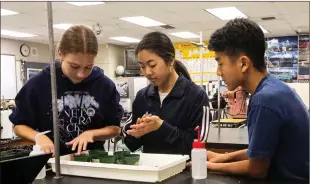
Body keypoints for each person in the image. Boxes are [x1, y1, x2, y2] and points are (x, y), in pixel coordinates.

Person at [205, 18, 309, 180]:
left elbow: (256, 168)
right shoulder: (274, 88)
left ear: (244, 64)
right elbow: (261, 152)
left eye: (221, 64)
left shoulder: (264, 100)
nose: (219, 72)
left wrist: (210, 166)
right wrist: (223, 157)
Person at [9, 25, 123, 156]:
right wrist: (39, 137)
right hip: (51, 162)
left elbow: (114, 129)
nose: (80, 74)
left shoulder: (104, 85)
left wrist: (92, 134)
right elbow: (18, 126)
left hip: (92, 160)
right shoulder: (39, 83)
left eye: (88, 67)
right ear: (60, 53)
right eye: (74, 66)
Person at [122, 31, 210, 157]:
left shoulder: (196, 96)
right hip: (151, 170)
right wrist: (136, 134)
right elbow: (131, 143)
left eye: (152, 65)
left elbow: (198, 145)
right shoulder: (143, 97)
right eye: (142, 66)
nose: (147, 72)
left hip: (184, 172)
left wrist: (161, 127)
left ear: (170, 61)